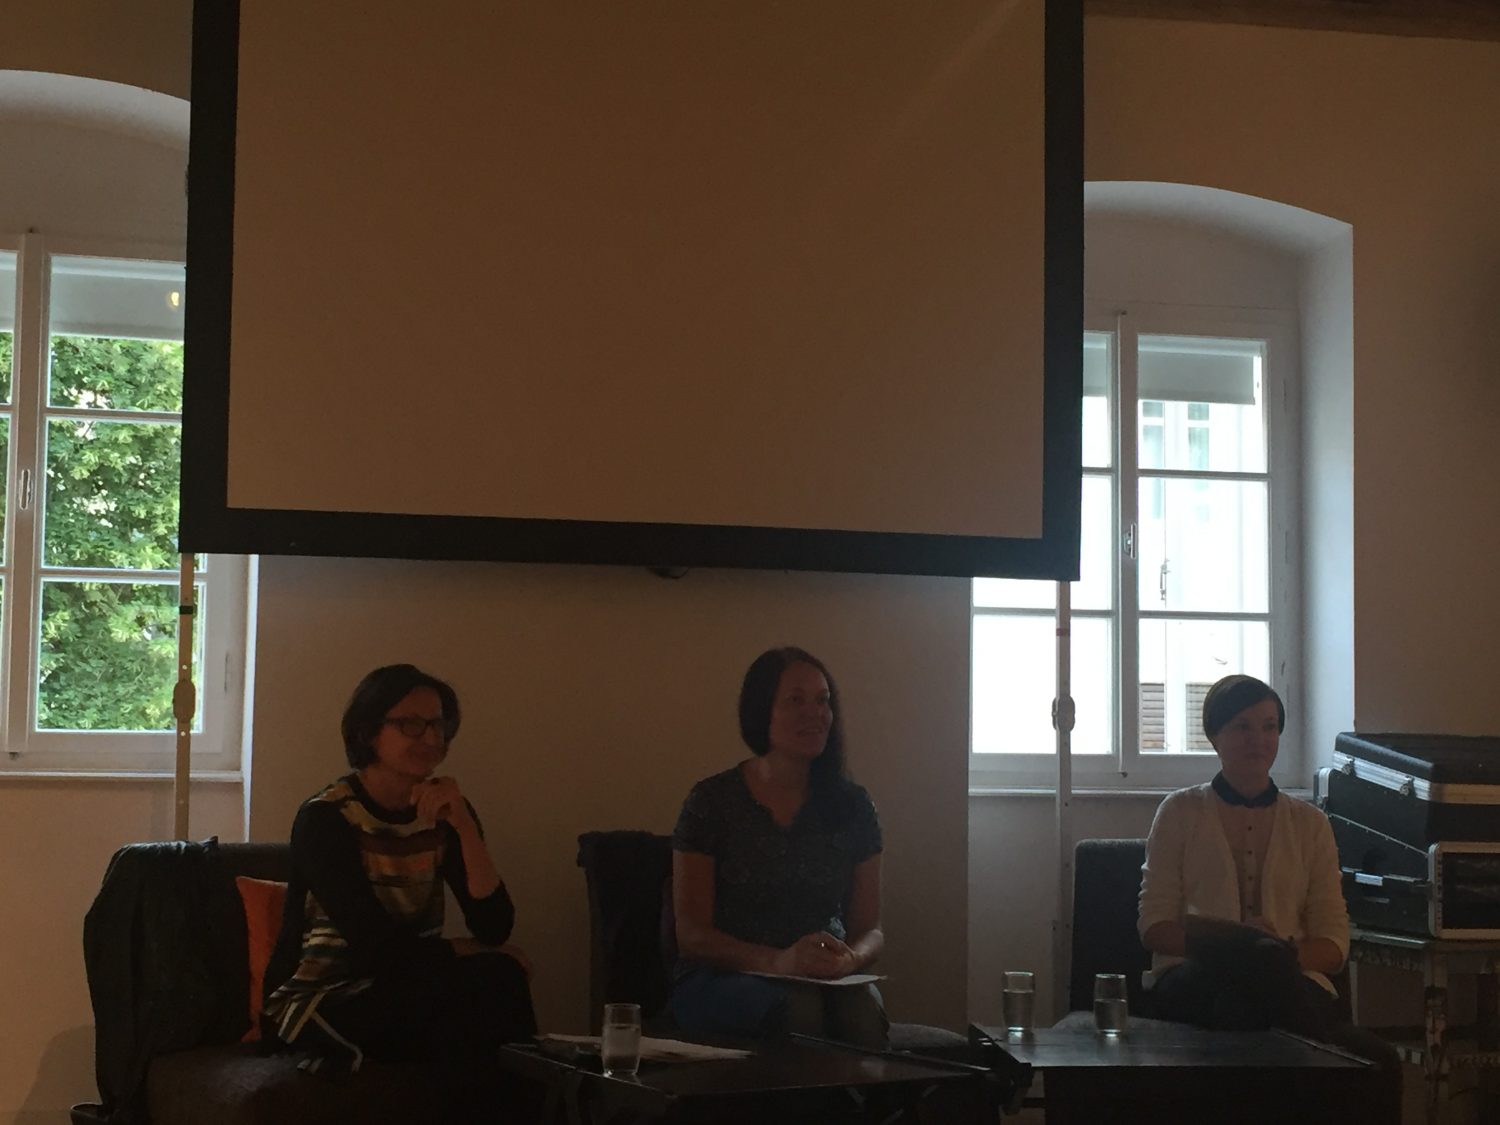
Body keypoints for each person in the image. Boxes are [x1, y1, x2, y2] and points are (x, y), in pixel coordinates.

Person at [261, 664, 536, 1076]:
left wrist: (464, 825)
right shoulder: (326, 818)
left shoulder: (445, 812)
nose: (431, 738)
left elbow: (494, 926)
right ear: (369, 732)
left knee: (497, 980)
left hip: (405, 982)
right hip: (318, 1000)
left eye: (438, 725)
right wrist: (468, 949)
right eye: (412, 725)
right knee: (486, 984)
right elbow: (375, 949)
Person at [1137, 674, 1399, 1082]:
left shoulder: (1311, 824)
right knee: (1249, 977)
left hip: (1291, 977)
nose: (1257, 740)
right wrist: (1239, 948)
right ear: (1214, 735)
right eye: (1242, 727)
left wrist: (1273, 957)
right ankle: (1326, 1076)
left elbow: (1334, 942)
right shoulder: (1178, 812)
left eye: (1269, 727)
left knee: (1244, 1001)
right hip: (1196, 974)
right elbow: (1153, 926)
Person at [669, 646, 888, 1048]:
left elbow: (870, 929)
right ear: (761, 711)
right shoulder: (711, 802)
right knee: (800, 1009)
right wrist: (777, 962)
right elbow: (692, 935)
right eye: (795, 701)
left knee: (861, 1011)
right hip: (721, 979)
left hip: (822, 979)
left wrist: (850, 959)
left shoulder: (853, 806)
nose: (814, 713)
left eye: (822, 700)